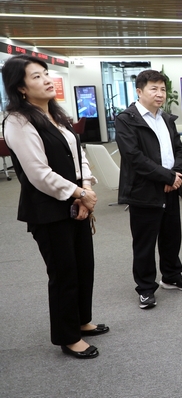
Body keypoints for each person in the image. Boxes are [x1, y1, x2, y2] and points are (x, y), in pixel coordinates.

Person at [1, 54, 108, 359]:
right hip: (47, 210)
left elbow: (78, 155)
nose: (47, 80)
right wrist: (79, 193)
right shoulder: (18, 121)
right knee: (64, 273)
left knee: (84, 266)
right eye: (36, 76)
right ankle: (68, 336)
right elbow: (38, 173)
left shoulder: (56, 115)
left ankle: (82, 321)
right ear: (20, 88)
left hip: (76, 202)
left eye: (46, 73)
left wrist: (86, 188)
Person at [115, 69, 182, 310]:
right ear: (139, 91)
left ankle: (171, 276)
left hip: (170, 187)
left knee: (171, 237)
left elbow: (179, 150)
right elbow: (134, 157)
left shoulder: (166, 118)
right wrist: (167, 176)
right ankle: (146, 288)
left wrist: (176, 175)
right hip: (144, 191)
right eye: (154, 89)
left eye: (162, 89)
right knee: (145, 243)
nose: (160, 94)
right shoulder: (126, 119)